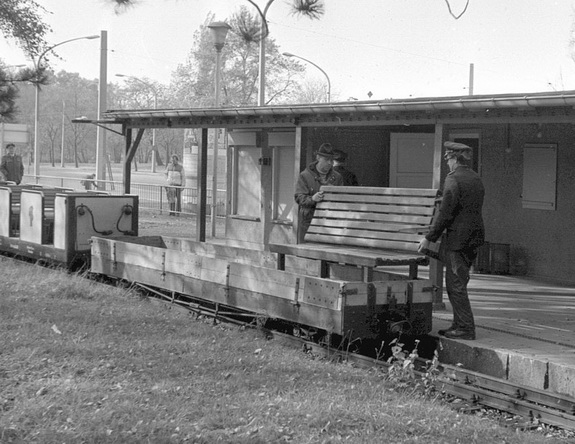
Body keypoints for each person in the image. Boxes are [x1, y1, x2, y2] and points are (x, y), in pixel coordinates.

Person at [418, 141, 485, 341]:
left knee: (456, 285)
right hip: (474, 237)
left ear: (454, 159)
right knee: (459, 282)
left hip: (459, 240)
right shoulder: (475, 178)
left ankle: (465, 328)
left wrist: (429, 238)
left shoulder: (453, 180)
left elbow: (446, 214)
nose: (447, 163)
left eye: (448, 159)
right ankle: (458, 323)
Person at [295, 143, 343, 241]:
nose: (330, 163)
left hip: (329, 223)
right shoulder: (305, 176)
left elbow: (342, 199)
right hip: (309, 222)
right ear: (318, 158)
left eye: (331, 160)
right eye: (326, 160)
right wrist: (312, 199)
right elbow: (298, 197)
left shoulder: (337, 177)